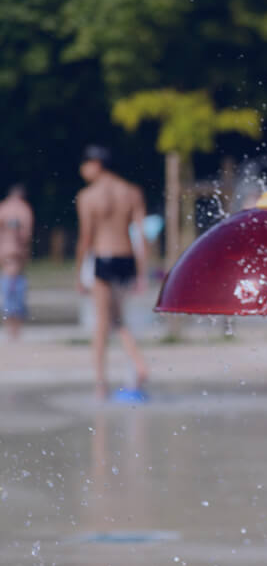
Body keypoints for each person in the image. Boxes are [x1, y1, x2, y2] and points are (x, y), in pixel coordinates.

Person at [74, 145, 149, 400]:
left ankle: (100, 383)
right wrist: (142, 272)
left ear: (95, 164)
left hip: (104, 259)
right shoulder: (131, 191)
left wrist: (77, 274)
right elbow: (141, 234)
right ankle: (138, 365)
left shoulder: (89, 196)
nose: (82, 170)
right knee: (118, 319)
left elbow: (86, 238)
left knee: (102, 324)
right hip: (127, 259)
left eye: (84, 165)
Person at [0, 184, 34, 341]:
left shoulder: (3, 208)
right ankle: (16, 331)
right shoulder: (24, 210)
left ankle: (9, 330)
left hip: (4, 252)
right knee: (16, 292)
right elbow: (26, 235)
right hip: (17, 253)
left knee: (7, 292)